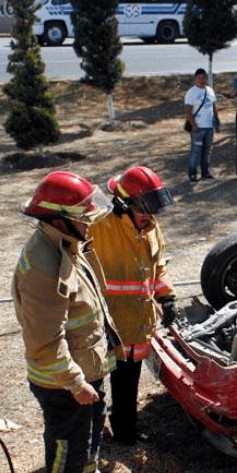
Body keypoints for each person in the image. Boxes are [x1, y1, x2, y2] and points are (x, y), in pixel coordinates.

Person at [12, 171, 120, 473]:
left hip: (85, 367)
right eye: (83, 218)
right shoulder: (42, 267)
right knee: (67, 439)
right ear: (58, 219)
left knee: (92, 424)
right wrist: (74, 382)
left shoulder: (66, 243)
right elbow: (45, 342)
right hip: (61, 378)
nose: (90, 225)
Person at [89, 165, 177, 445]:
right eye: (143, 208)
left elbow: (157, 268)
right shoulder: (99, 226)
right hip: (105, 325)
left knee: (128, 382)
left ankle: (124, 431)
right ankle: (92, 438)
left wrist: (167, 297)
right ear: (123, 204)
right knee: (94, 385)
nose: (148, 215)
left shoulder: (150, 227)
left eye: (152, 208)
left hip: (136, 325)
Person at [184, 68, 220, 183]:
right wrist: (193, 125)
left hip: (209, 127)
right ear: (195, 79)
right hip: (198, 128)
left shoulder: (210, 90)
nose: (201, 80)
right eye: (199, 78)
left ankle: (205, 173)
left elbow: (213, 107)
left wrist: (217, 122)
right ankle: (192, 175)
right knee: (195, 151)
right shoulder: (191, 92)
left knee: (207, 151)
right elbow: (188, 111)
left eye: (203, 78)